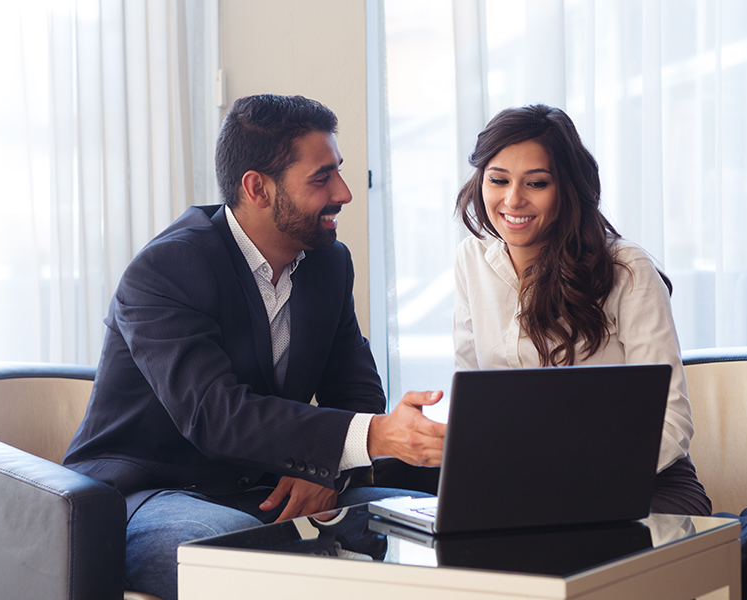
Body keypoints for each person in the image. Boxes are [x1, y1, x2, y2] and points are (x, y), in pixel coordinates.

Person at [63, 94, 446, 600]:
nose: (345, 193)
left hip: (268, 490)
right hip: (154, 492)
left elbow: (354, 389)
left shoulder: (328, 265)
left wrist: (329, 471)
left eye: (339, 171)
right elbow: (216, 414)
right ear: (257, 188)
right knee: (236, 556)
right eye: (321, 177)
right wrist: (373, 437)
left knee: (438, 524)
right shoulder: (166, 270)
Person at [453, 104, 711, 516]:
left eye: (535, 183)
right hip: (528, 484)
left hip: (644, 482)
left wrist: (567, 482)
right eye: (497, 180)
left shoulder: (626, 268)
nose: (512, 199)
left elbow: (671, 419)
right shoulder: (471, 260)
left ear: (567, 188)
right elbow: (473, 400)